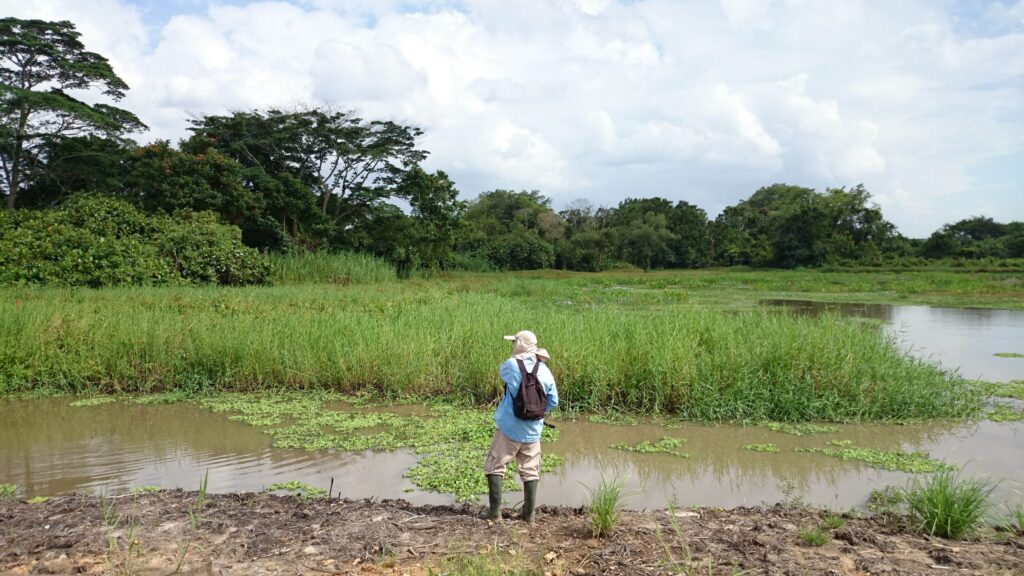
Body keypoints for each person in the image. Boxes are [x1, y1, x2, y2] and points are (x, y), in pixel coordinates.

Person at [479, 330, 558, 522]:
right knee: (530, 470)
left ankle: (495, 513)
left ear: (518, 344)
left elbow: (504, 374)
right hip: (533, 430)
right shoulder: (545, 371)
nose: (512, 344)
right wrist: (535, 413)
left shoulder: (511, 365)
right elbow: (553, 401)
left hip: (509, 428)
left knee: (495, 466)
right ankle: (528, 514)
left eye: (514, 342)